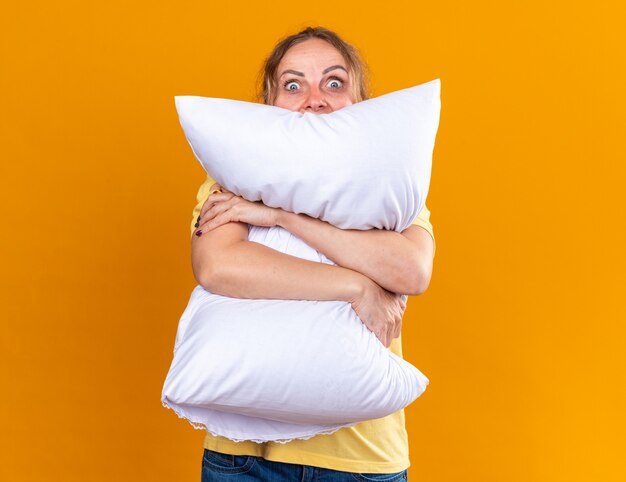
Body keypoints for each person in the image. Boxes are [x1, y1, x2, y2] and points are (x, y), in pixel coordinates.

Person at [189, 26, 436, 482]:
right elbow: (218, 266)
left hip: (360, 459)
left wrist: (283, 217)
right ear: (270, 102)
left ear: (360, 103)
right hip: (242, 459)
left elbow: (411, 270)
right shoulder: (230, 184)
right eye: (293, 84)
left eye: (334, 82)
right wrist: (356, 285)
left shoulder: (392, 194)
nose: (315, 98)